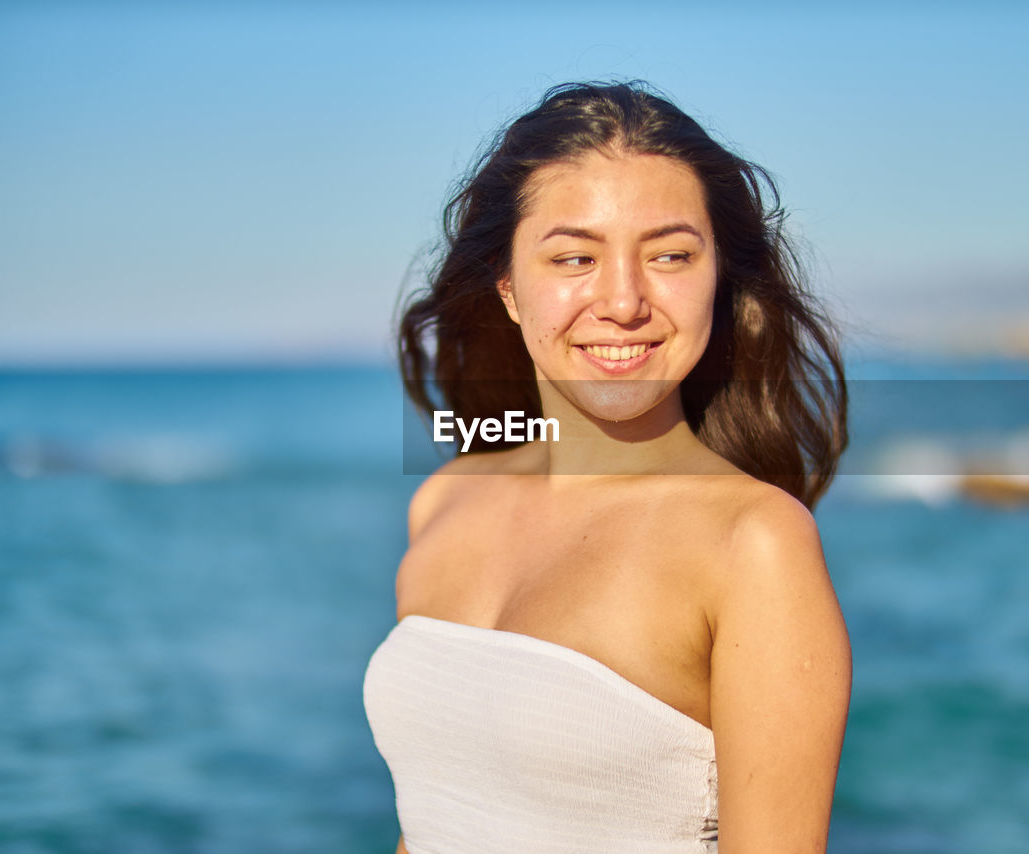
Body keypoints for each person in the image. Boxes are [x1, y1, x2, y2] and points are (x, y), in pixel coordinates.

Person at [363, 81, 852, 853]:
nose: (622, 300)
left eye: (669, 255)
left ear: (718, 280)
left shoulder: (754, 545)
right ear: (510, 289)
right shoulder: (445, 502)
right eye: (574, 256)